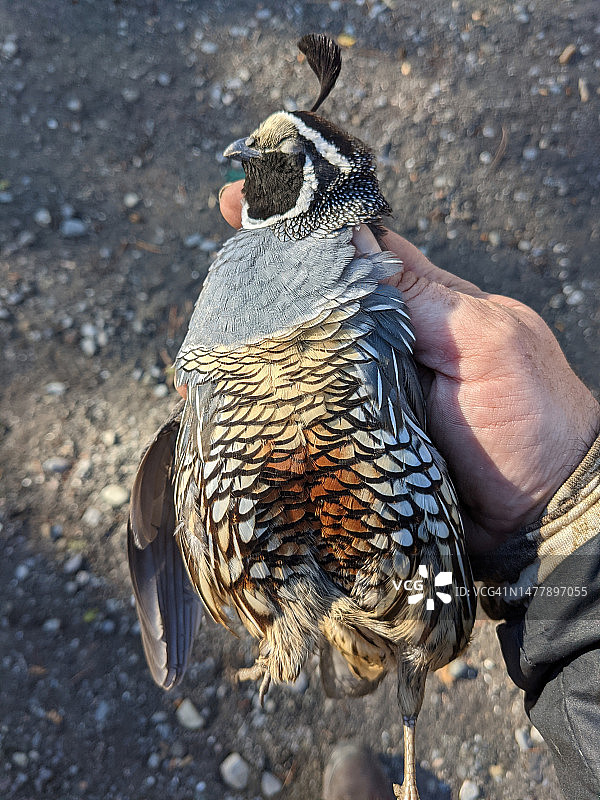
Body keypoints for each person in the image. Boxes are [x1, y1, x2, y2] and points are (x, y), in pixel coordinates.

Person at [185, 180, 600, 799]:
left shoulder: (374, 292)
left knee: (418, 613)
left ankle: (405, 767)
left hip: (412, 566)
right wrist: (573, 502)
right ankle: (302, 644)